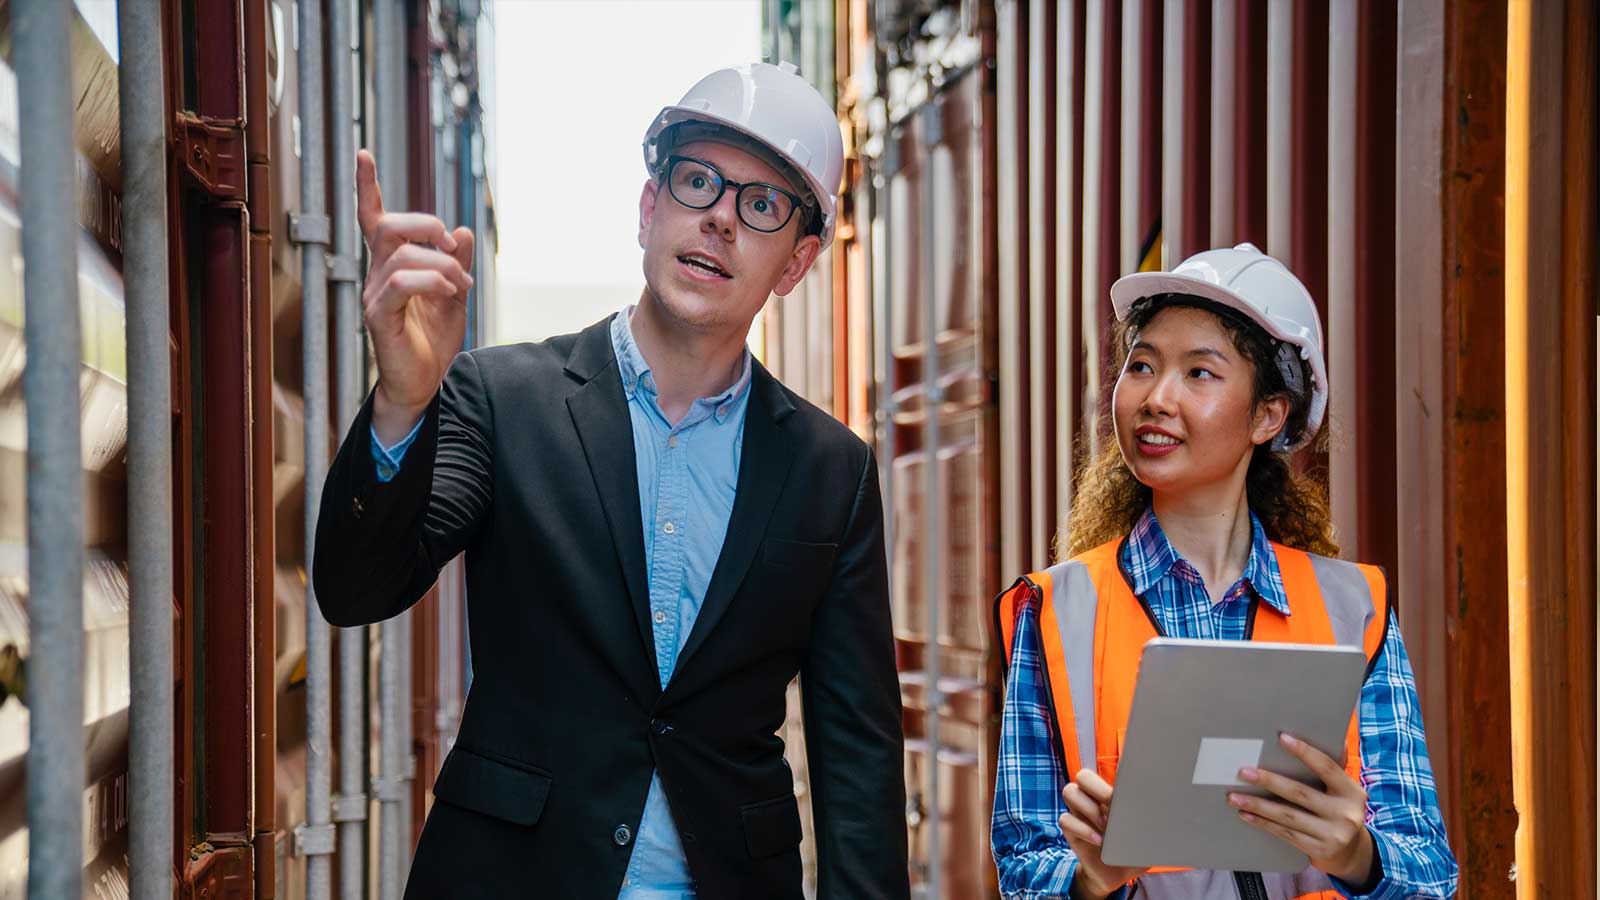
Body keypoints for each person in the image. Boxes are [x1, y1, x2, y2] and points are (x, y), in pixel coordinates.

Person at [314, 62, 909, 900]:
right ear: (648, 207)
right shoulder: (504, 398)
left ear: (798, 261)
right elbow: (354, 588)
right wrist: (404, 403)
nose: (719, 220)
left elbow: (859, 760)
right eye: (696, 181)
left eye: (761, 204)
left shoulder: (830, 472)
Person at [989, 244, 1458, 899]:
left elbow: (1429, 873)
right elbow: (1023, 865)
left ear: (1268, 415)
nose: (1157, 397)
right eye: (1142, 365)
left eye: (1199, 373)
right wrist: (1087, 879)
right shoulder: (1057, 610)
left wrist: (1358, 855)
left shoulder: (1355, 609)